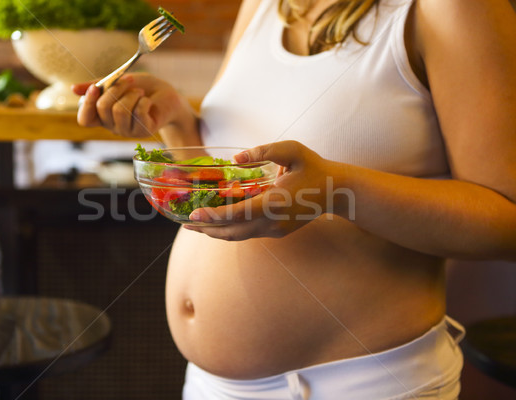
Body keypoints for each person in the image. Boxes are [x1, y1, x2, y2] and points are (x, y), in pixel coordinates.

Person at [74, 0, 516, 398]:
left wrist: (338, 192)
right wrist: (174, 119)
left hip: (359, 385)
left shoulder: (454, 8)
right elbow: (238, 181)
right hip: (211, 387)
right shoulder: (262, 6)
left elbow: (506, 221)